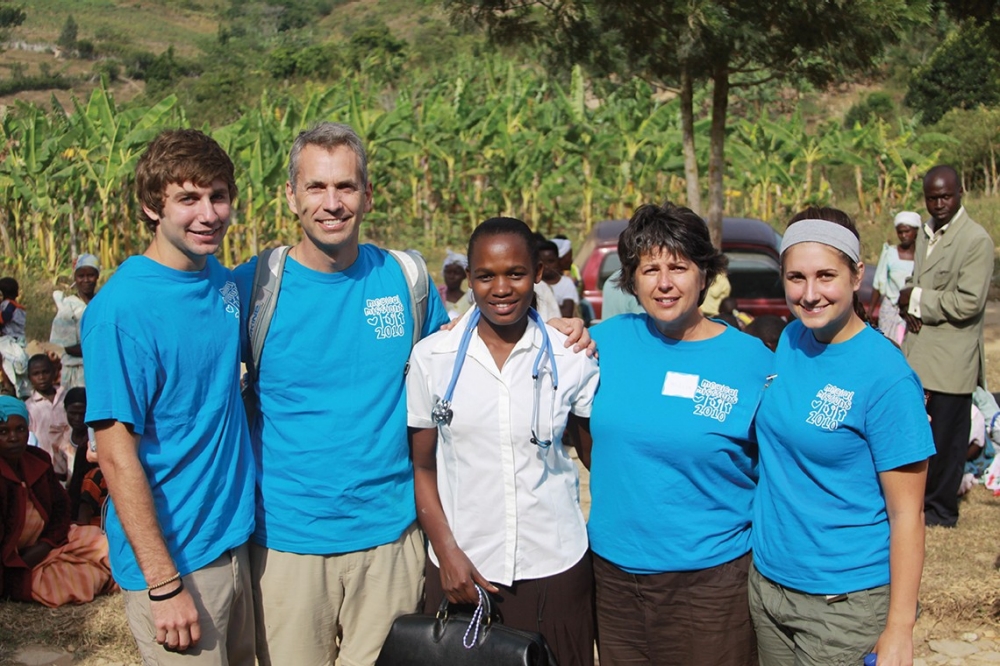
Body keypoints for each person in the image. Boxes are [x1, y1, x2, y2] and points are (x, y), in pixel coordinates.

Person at [236, 122, 591, 666]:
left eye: (346, 187)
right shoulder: (255, 286)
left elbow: (472, 336)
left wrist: (558, 325)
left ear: (368, 195)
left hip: (392, 541)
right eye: (316, 187)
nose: (332, 203)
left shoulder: (406, 280)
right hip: (289, 541)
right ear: (290, 196)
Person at [81, 128, 256, 664]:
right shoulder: (121, 311)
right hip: (178, 564)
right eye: (188, 199)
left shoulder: (223, 284)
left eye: (218, 196)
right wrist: (163, 585)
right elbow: (114, 453)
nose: (209, 214)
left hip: (236, 542)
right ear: (151, 208)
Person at [582, 203, 774, 666]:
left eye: (678, 267)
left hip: (710, 582)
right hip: (614, 577)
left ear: (705, 275)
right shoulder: (599, 342)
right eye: (649, 269)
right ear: (631, 280)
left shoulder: (753, 362)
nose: (663, 283)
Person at [408, 218, 600, 666]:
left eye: (515, 273)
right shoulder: (433, 358)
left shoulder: (571, 357)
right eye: (485, 275)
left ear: (537, 273)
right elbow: (423, 468)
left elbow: (598, 460)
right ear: (469, 278)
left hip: (555, 567)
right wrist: (447, 554)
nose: (501, 288)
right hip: (462, 571)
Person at [750, 207, 934, 666]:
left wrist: (899, 628)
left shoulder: (887, 377)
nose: (810, 294)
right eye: (796, 277)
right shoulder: (789, 341)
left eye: (825, 276)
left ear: (857, 276)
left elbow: (908, 514)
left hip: (843, 605)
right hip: (769, 588)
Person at [897, 165, 995, 528]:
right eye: (932, 197)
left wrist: (918, 299)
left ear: (959, 194)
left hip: (953, 356)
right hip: (919, 351)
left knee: (948, 440)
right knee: (916, 433)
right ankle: (918, 502)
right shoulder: (925, 233)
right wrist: (910, 301)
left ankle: (941, 511)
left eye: (945, 196)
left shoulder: (975, 240)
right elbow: (919, 280)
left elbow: (969, 302)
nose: (938, 204)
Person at [0, 395, 115, 607]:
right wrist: (20, 564)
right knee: (65, 585)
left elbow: (61, 508)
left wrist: (45, 546)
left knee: (107, 544)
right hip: (16, 561)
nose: (13, 437)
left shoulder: (38, 460)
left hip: (51, 541)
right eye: (3, 432)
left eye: (20, 429)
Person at [50, 253, 100, 388]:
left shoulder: (102, 303)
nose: (86, 280)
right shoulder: (69, 307)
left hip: (101, 369)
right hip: (76, 373)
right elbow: (68, 347)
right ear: (75, 278)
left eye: (90, 275)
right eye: (81, 276)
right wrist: (102, 348)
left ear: (97, 276)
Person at [869, 211, 919, 344]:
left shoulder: (922, 256)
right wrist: (870, 312)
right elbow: (878, 282)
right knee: (887, 345)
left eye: (907, 232)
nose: (903, 236)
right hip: (890, 308)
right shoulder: (890, 253)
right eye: (900, 232)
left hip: (912, 309)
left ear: (916, 231)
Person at [24, 354, 71, 481]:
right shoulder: (29, 407)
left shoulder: (67, 398)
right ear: (29, 377)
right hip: (46, 466)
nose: (42, 377)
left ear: (54, 372)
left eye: (45, 372)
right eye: (36, 374)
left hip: (72, 461)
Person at [62, 387, 97, 522]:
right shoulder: (60, 440)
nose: (77, 418)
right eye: (73, 413)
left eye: (82, 413)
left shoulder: (95, 441)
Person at [0, 277, 28, 398]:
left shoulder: (9, 306)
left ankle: (7, 385)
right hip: (19, 337)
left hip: (11, 339)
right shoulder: (17, 306)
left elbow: (4, 319)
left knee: (5, 359)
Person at [540, 240, 578, 318]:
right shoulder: (535, 285)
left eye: (550, 261)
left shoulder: (566, 284)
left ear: (558, 261)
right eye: (542, 262)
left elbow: (567, 313)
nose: (546, 266)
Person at [437, 249, 468, 320]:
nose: (451, 276)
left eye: (456, 273)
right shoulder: (437, 297)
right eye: (448, 272)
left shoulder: (469, 301)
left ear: (464, 275)